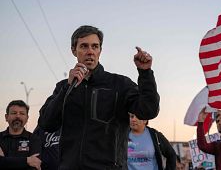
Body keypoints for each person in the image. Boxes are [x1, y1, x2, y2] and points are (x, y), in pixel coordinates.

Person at [38, 25, 160, 169]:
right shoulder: (64, 87)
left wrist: (145, 74)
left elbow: (149, 110)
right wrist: (67, 88)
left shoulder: (120, 84)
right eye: (84, 46)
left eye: (95, 46)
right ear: (73, 50)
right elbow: (46, 123)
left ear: (100, 51)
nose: (90, 51)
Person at [0, 100, 41, 170]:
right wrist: (27, 160)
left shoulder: (34, 139)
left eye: (22, 113)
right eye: (14, 113)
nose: (18, 116)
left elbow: (34, 166)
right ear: (6, 117)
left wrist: (4, 161)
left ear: (27, 118)